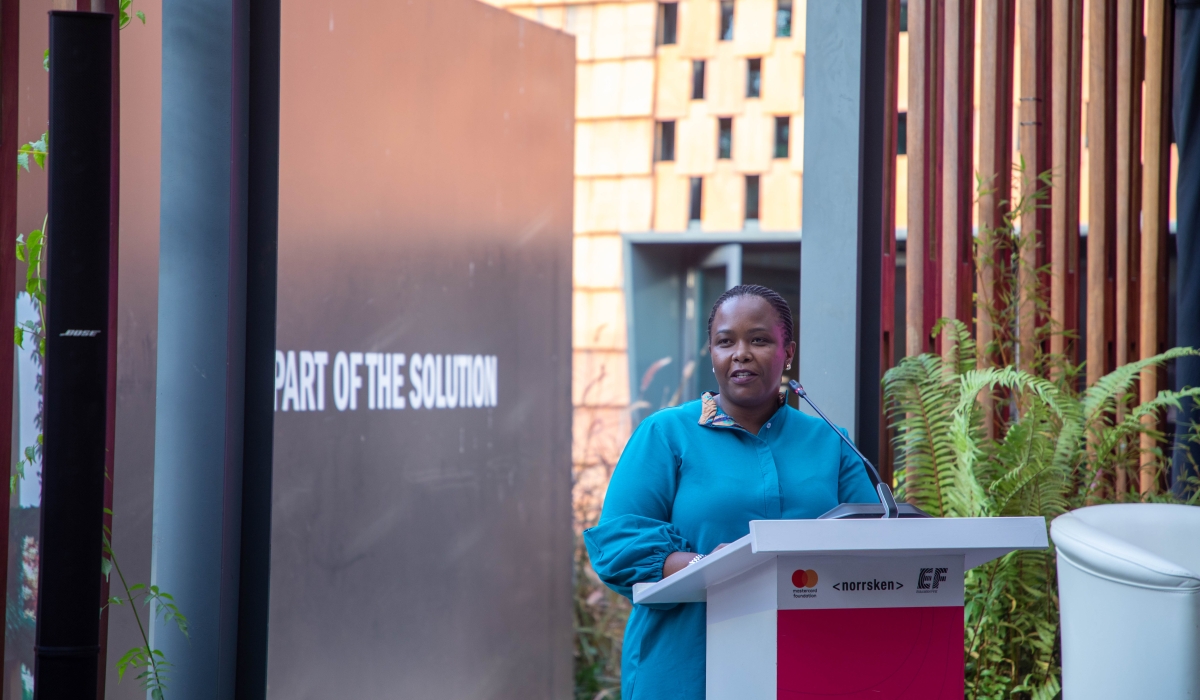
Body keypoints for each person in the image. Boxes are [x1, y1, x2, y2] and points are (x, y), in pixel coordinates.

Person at [584, 284, 878, 700]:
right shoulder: (667, 433)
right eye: (726, 342)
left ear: (787, 351)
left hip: (810, 661)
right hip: (687, 666)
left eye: (759, 340)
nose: (741, 353)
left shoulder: (830, 441)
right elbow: (617, 542)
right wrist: (707, 565)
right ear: (712, 353)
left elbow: (873, 537)